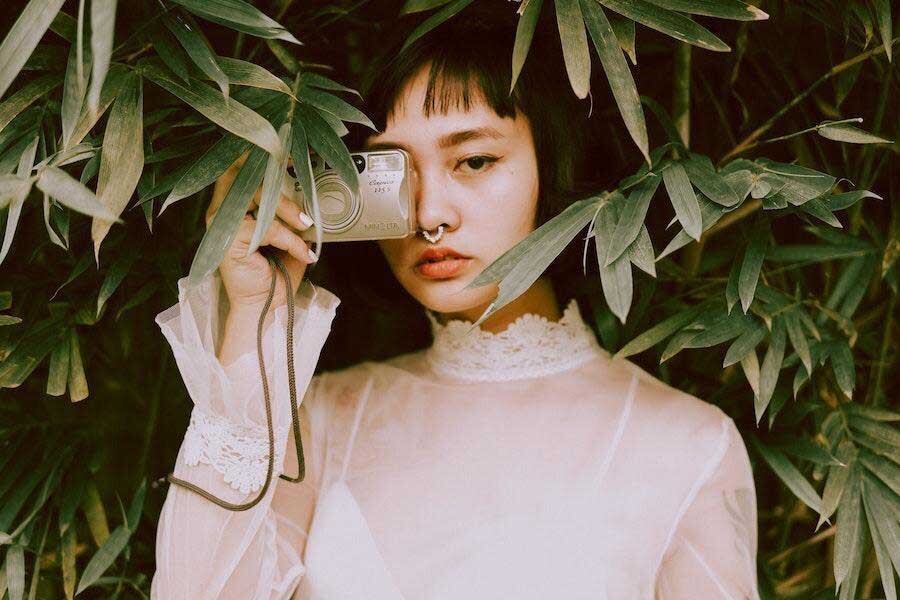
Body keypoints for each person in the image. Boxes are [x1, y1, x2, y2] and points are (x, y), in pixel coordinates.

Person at [150, 6, 759, 599]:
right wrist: (255, 316)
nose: (429, 215)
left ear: (556, 161)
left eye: (474, 160)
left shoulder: (686, 446)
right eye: (393, 172)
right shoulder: (320, 419)